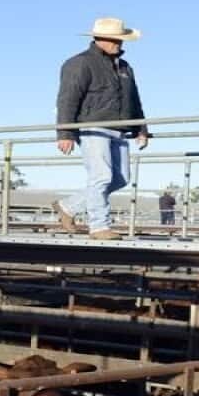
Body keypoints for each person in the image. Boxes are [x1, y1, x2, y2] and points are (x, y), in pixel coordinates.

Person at [53, 17, 149, 241]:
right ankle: (99, 227)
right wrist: (65, 133)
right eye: (115, 39)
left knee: (121, 178)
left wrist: (141, 128)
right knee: (102, 176)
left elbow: (134, 100)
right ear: (100, 38)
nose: (120, 43)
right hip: (92, 126)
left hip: (120, 127)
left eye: (121, 39)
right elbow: (67, 99)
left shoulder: (125, 67)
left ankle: (68, 206)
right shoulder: (80, 63)